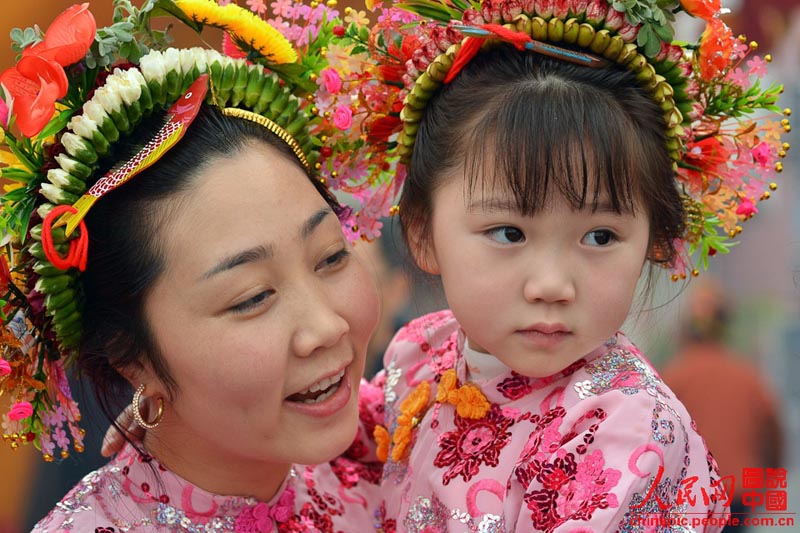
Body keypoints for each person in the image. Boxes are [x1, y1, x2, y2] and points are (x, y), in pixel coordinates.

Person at [356, 0, 791, 530]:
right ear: (423, 232)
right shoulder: (419, 355)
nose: (552, 285)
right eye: (509, 233)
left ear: (654, 239)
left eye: (600, 236)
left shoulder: (624, 432)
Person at [0, 1, 394, 530]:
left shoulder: (398, 443)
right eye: (253, 297)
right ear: (131, 357)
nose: (327, 326)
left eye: (330, 256)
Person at [661, 278, 784, 532]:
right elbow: (773, 433)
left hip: (689, 494)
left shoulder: (672, 377)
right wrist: (768, 477)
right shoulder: (747, 376)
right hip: (737, 490)